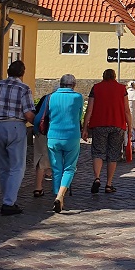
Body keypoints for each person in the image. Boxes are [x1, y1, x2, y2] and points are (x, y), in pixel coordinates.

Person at [0, 60, 35, 216]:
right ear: (22, 73)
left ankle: (8, 198)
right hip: (15, 126)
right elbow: (28, 114)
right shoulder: (24, 88)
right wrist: (39, 125)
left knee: (3, 166)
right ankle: (8, 203)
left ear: (8, 71)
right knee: (17, 166)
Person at [34, 74, 84, 213]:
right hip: (71, 136)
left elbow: (41, 116)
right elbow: (79, 116)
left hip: (53, 136)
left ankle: (57, 195)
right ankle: (60, 196)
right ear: (73, 85)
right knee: (69, 168)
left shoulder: (51, 97)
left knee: (56, 169)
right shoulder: (78, 97)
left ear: (60, 84)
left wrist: (36, 130)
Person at [81, 68, 134, 194]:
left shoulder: (96, 88)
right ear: (114, 76)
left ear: (103, 76)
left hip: (99, 124)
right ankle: (109, 184)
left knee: (98, 152)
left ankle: (97, 178)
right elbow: (127, 110)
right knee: (113, 154)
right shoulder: (122, 89)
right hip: (117, 124)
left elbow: (89, 109)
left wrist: (85, 127)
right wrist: (130, 127)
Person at [31, 93, 53, 198]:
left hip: (41, 130)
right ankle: (58, 188)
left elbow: (36, 112)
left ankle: (38, 187)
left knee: (41, 156)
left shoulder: (46, 97)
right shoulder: (67, 98)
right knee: (58, 157)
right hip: (55, 132)